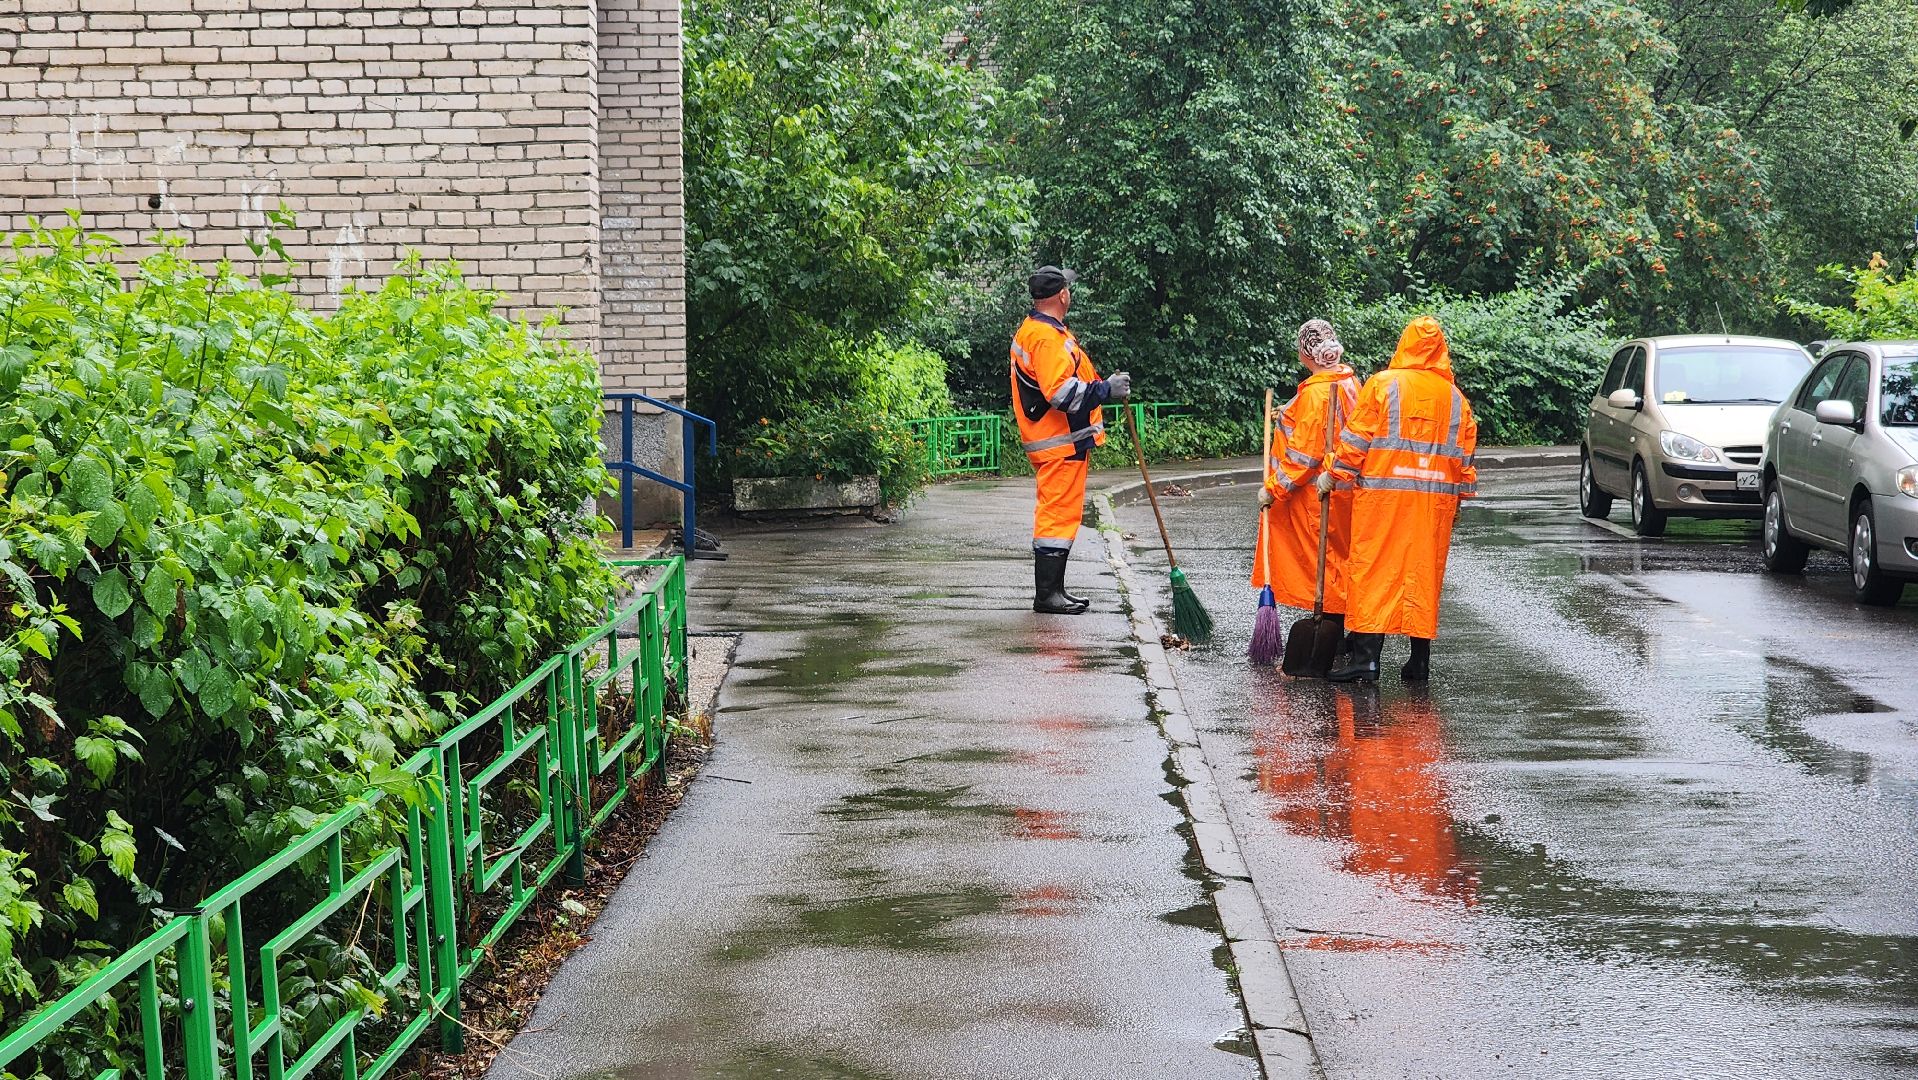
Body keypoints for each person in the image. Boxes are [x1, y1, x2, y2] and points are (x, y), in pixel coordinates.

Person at [1327, 315, 1477, 683]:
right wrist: (1457, 502)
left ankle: (1366, 659)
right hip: (1432, 507)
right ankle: (1419, 662)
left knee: (1374, 574)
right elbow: (1465, 463)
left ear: (1404, 344)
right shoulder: (1456, 400)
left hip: (1383, 502)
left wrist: (1333, 476)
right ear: (1441, 350)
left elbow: (1356, 441)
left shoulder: (1384, 385)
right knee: (1422, 577)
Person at [1010, 265, 1131, 614]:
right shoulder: (1046, 338)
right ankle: (1048, 595)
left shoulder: (1041, 331)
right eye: (1069, 289)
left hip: (1060, 440)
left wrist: (1102, 384)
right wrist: (1106, 389)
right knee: (1056, 518)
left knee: (1060, 517)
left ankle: (1054, 591)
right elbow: (1060, 393)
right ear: (1062, 295)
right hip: (1058, 442)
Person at [1253, 320, 1360, 660]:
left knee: (1323, 562)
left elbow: (1305, 453)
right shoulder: (1347, 380)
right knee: (1339, 558)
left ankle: (1330, 631)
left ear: (1305, 352)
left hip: (1317, 495)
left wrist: (1273, 489)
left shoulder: (1317, 392)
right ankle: (1340, 629)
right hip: (1342, 487)